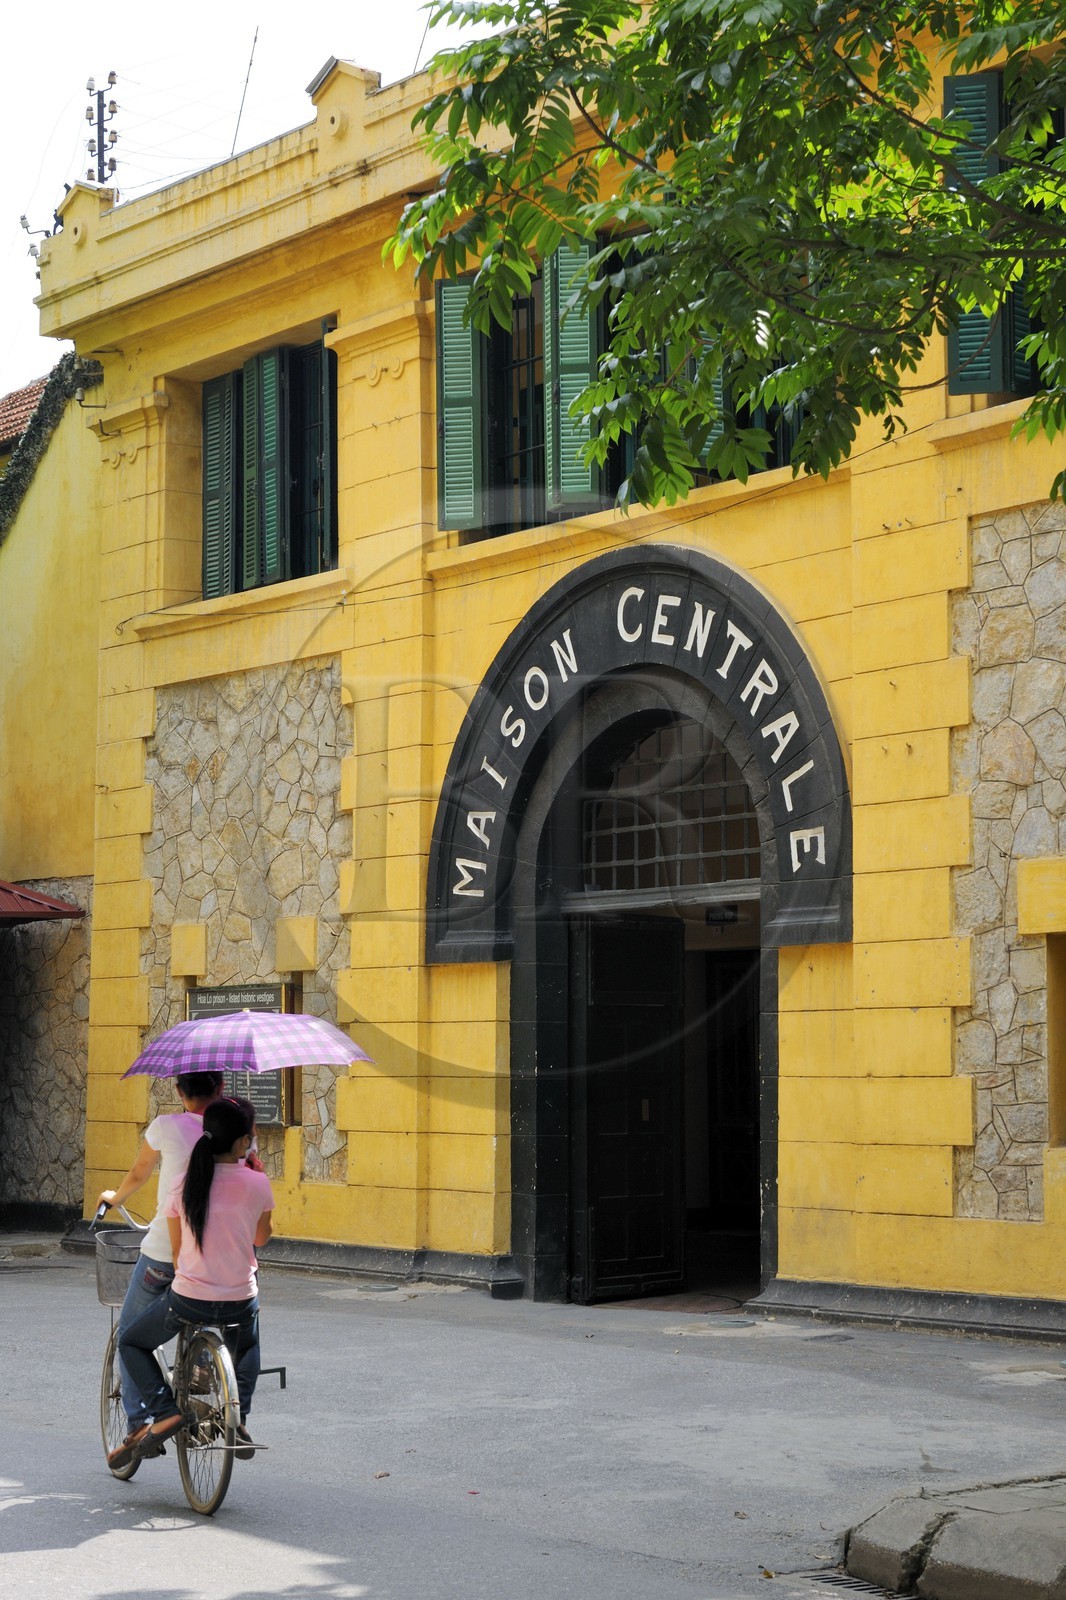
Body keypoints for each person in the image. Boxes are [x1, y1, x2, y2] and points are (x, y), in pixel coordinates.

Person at [109, 1096, 274, 1469]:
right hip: (240, 1298)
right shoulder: (257, 1182)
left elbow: (179, 1251)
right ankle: (238, 1417)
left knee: (131, 1340)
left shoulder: (184, 1183)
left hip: (190, 1297)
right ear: (239, 1143)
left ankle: (164, 1411)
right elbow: (261, 1238)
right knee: (246, 1348)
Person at [97, 1069, 225, 1446]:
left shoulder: (166, 1126)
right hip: (215, 1255)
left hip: (163, 1254)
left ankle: (138, 1423)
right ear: (220, 1088)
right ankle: (202, 1364)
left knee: (130, 1334)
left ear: (178, 1090)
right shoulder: (234, 1131)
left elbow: (140, 1171)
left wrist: (115, 1199)